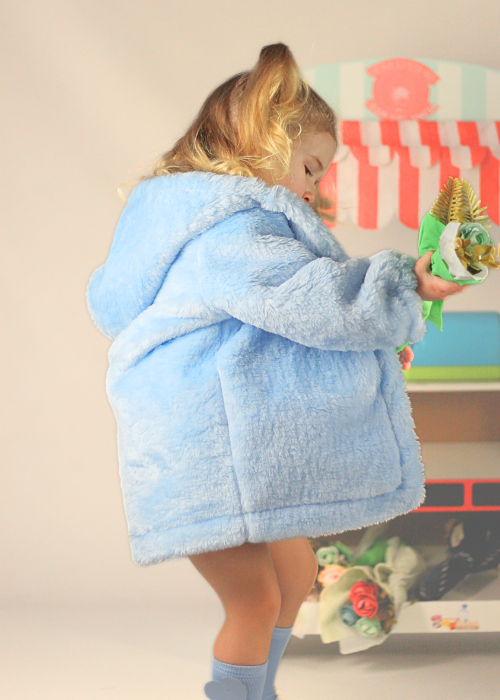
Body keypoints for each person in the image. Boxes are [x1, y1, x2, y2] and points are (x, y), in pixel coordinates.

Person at [86, 43, 467, 700]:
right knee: (256, 598)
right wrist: (404, 286)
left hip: (233, 449)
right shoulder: (232, 233)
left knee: (295, 575)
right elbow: (309, 298)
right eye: (311, 168)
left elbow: (277, 327)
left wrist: (369, 346)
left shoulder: (224, 227)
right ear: (262, 139)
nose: (314, 189)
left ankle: (258, 689)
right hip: (211, 455)